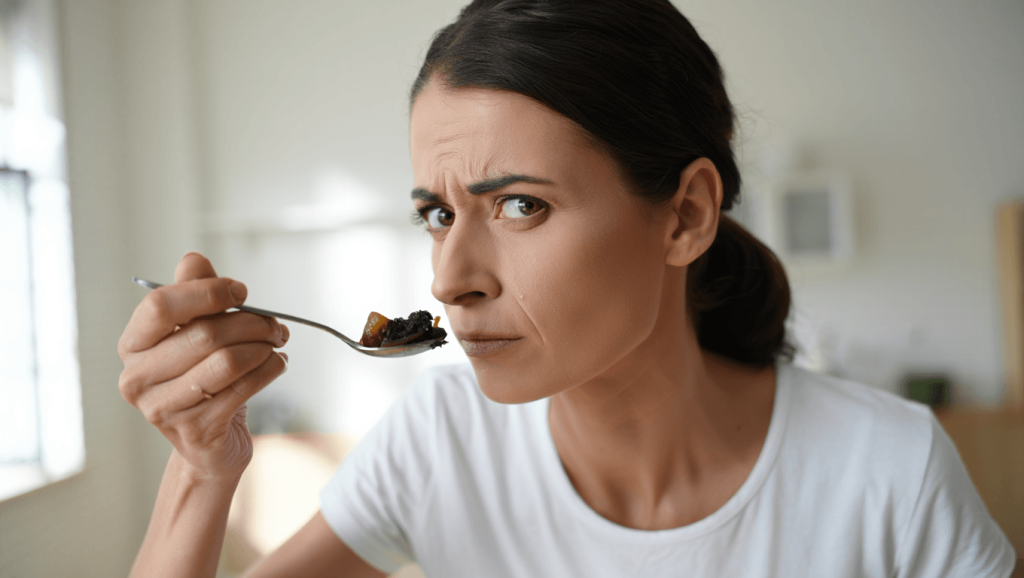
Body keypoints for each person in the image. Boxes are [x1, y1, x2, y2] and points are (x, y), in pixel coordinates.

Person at [117, 1, 1016, 576]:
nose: (449, 279)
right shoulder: (442, 445)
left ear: (685, 216)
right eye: (437, 213)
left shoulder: (889, 473)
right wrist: (203, 471)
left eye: (518, 204)